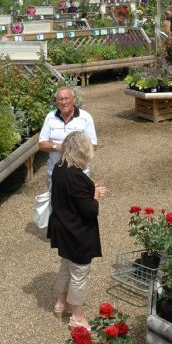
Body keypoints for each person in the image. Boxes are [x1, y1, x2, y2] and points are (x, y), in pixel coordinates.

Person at [47, 131, 107, 330]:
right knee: (79, 274)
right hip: (77, 233)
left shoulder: (59, 168)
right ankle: (77, 317)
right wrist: (96, 195)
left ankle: (60, 304)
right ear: (83, 150)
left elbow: (70, 196)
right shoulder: (77, 177)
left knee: (66, 267)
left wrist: (90, 190)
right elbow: (90, 210)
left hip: (62, 228)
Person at [39, 86, 97, 190]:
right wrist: (59, 147)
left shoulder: (85, 117)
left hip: (80, 173)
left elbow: (93, 145)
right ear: (56, 102)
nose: (64, 102)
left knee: (80, 200)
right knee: (55, 200)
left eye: (67, 98)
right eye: (60, 99)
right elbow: (42, 144)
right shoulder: (50, 117)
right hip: (55, 173)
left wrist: (72, 150)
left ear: (74, 99)